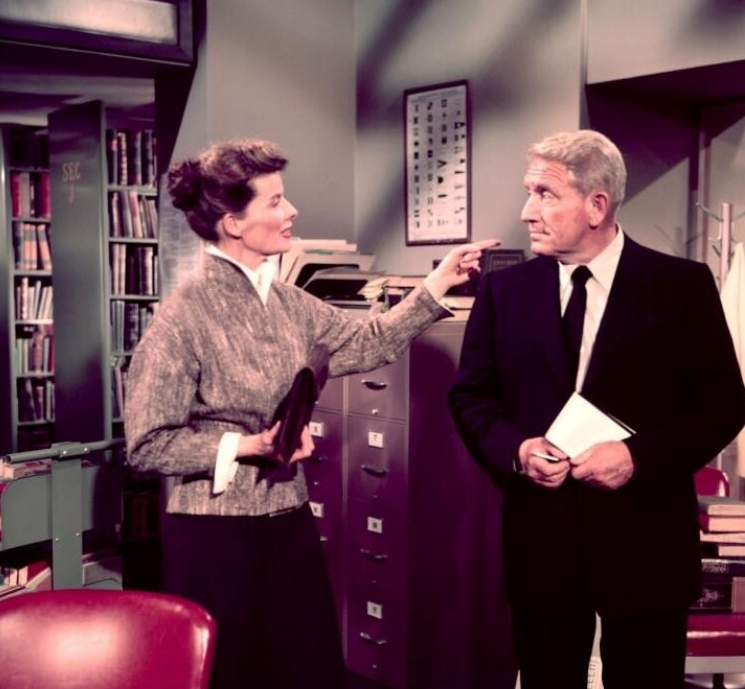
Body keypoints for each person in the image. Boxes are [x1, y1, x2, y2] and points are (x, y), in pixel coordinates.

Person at [124, 138, 498, 689]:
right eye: (275, 201)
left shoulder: (287, 302)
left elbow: (367, 342)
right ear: (232, 222)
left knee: (306, 667)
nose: (292, 211)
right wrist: (250, 446)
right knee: (232, 673)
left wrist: (435, 285)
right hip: (213, 535)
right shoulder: (182, 316)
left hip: (288, 518)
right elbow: (147, 443)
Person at [448, 130, 745, 689]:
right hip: (542, 544)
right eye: (529, 192)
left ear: (596, 205)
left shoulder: (680, 286)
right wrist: (518, 448)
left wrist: (637, 457)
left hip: (646, 545)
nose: (527, 211)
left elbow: (724, 407)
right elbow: (471, 397)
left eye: (545, 194)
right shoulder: (503, 291)